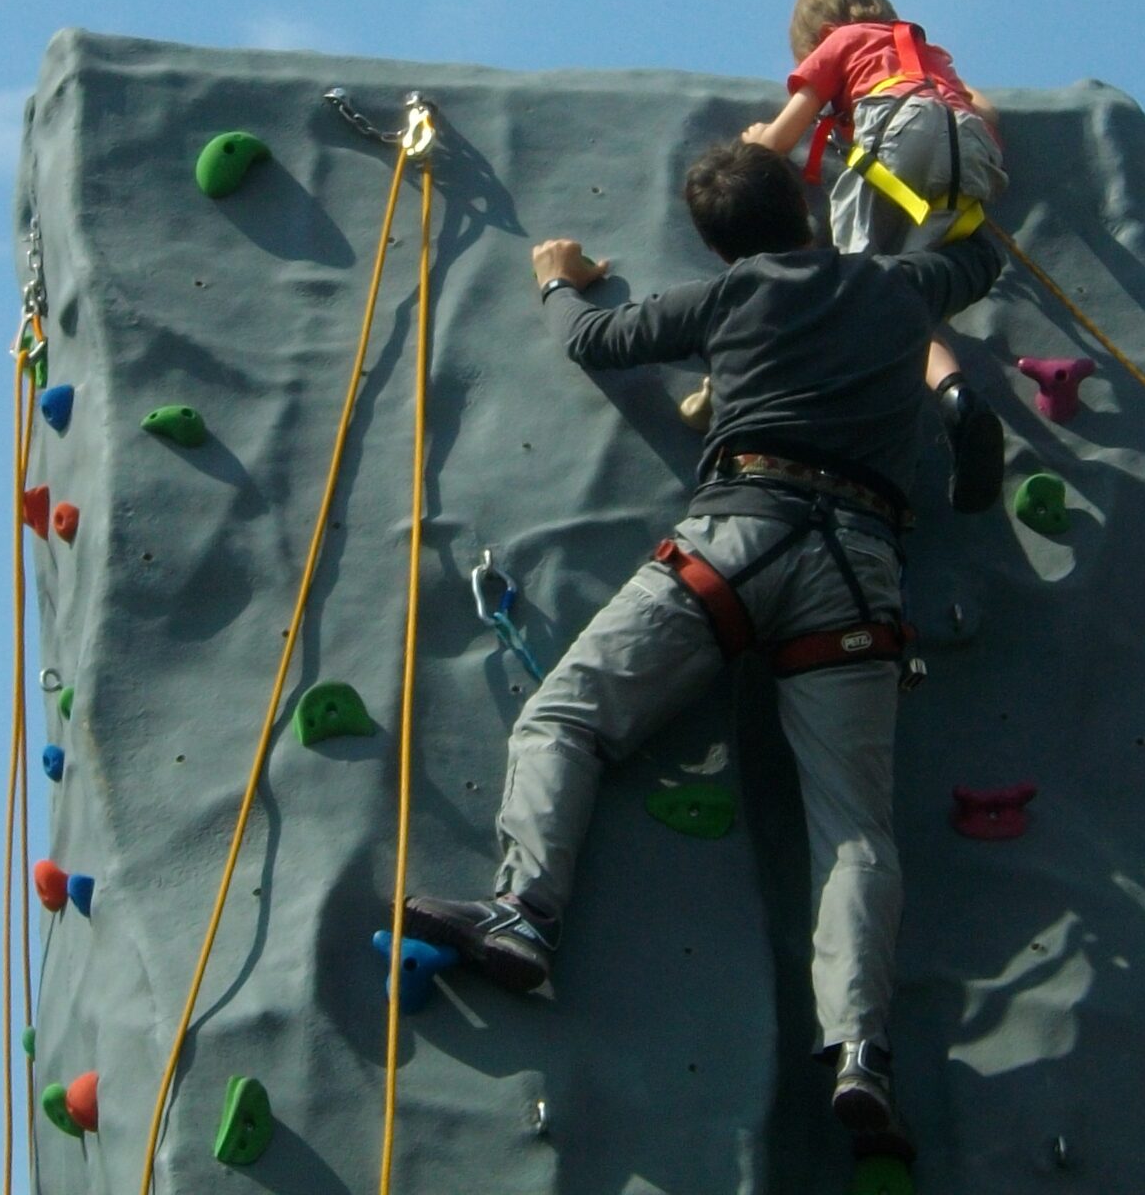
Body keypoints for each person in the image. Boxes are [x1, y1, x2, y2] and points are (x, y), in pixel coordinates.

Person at [401, 140, 1008, 1167]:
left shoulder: (725, 302)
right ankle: (859, 1048)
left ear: (715, 241)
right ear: (806, 211)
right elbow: (981, 255)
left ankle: (524, 914)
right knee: (853, 828)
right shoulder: (897, 287)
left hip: (736, 535)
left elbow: (595, 340)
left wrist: (555, 278)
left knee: (565, 718)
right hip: (857, 568)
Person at [740, 0, 1008, 513]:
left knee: (867, 293)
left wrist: (756, 140)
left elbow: (780, 140)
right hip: (970, 153)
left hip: (900, 135)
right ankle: (955, 397)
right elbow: (987, 110)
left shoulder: (841, 43)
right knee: (908, 296)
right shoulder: (926, 51)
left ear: (823, 33)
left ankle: (854, 416)